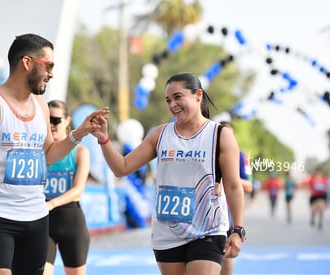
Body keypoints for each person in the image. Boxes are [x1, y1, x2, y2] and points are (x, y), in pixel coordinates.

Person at [0, 33, 108, 275]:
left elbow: (47, 156)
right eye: (48, 65)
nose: (52, 73)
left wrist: (79, 132)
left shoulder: (41, 105)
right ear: (27, 62)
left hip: (36, 218)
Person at [92, 72, 246, 275]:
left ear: (198, 95)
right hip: (168, 233)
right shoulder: (160, 134)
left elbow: (234, 186)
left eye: (178, 97)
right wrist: (104, 139)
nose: (173, 104)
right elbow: (122, 168)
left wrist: (238, 230)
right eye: (168, 100)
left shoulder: (220, 135)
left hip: (207, 230)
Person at [43, 100, 90, 275]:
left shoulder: (79, 152)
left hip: (71, 221)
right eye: (47, 119)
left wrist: (52, 204)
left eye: (55, 120)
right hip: (43, 221)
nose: (51, 125)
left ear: (67, 120)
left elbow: (78, 190)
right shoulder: (39, 150)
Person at [219, 121, 252, 275]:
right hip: (204, 209)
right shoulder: (208, 151)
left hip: (226, 210)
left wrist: (229, 178)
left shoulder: (241, 156)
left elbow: (249, 186)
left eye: (229, 134)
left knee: (225, 254)